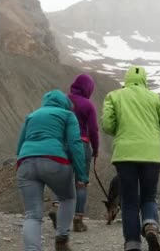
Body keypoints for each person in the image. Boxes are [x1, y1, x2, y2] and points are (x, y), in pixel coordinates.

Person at [102, 66, 160, 251]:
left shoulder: (114, 96)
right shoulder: (155, 99)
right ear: (145, 80)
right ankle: (150, 226)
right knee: (148, 197)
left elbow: (107, 125)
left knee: (130, 201)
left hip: (125, 155)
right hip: (152, 155)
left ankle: (132, 245)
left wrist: (122, 130)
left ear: (127, 79)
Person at [16, 90, 89, 251]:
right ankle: (61, 240)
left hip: (26, 162)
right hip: (55, 161)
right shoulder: (68, 115)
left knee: (32, 215)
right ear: (65, 104)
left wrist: (22, 163)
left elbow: (20, 145)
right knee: (68, 198)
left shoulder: (32, 116)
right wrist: (81, 175)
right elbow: (75, 145)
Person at [49, 74, 100, 232]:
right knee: (81, 183)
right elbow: (93, 130)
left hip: (63, 144)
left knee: (62, 179)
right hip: (82, 144)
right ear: (88, 89)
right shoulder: (88, 105)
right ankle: (78, 220)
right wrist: (96, 149)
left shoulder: (64, 100)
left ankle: (57, 209)